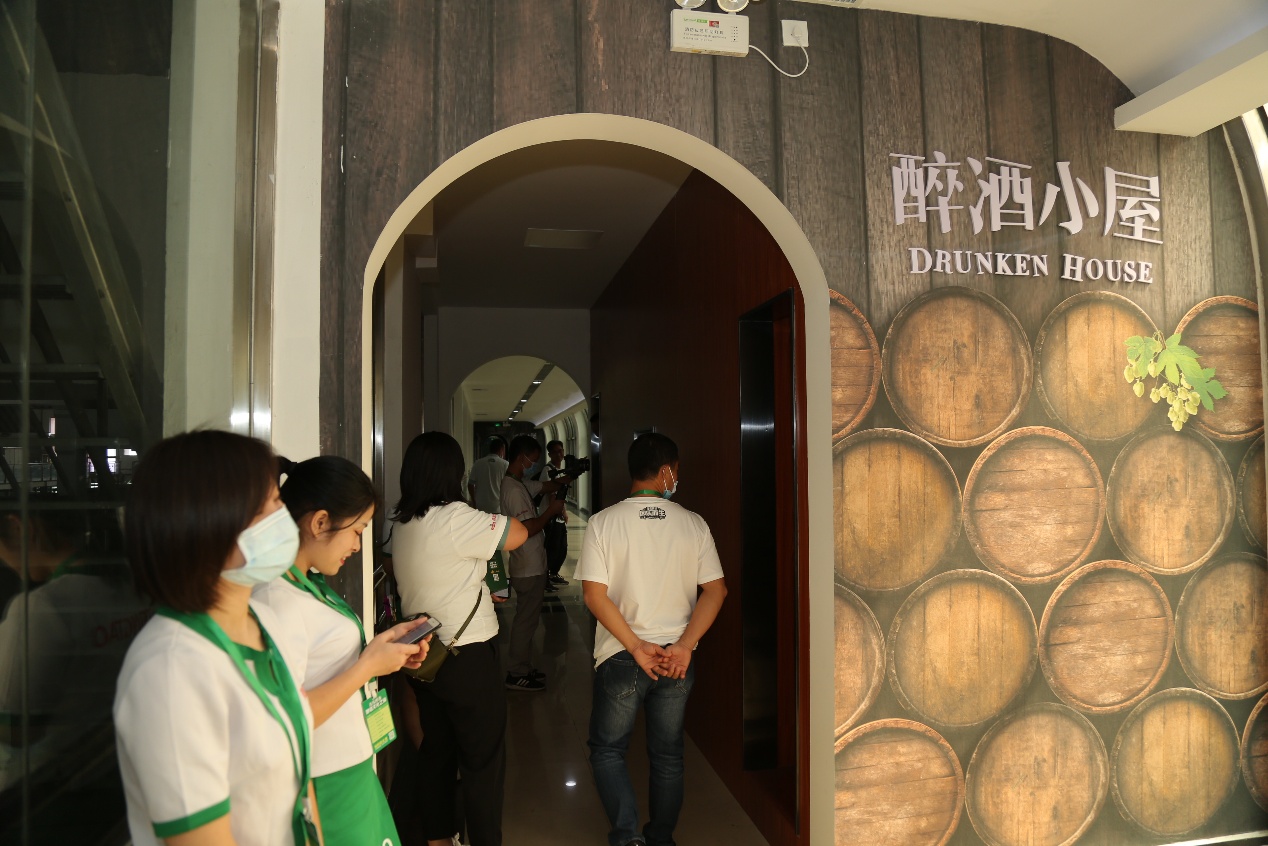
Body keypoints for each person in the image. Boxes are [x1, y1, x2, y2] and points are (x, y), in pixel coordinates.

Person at [113, 430, 318, 846]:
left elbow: (299, 789)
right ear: (207, 525)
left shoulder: (262, 621)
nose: (284, 517)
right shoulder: (170, 670)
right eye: (268, 506)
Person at [253, 456, 431, 846]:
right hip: (325, 780)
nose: (357, 545)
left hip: (350, 765)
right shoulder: (275, 600)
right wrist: (367, 667)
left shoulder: (306, 585)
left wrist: (384, 652)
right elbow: (285, 718)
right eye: (357, 530)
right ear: (319, 522)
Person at [576, 433, 727, 846]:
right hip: (675, 659)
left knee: (608, 750)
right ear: (664, 472)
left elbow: (594, 595)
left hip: (622, 656)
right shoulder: (693, 523)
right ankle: (660, 838)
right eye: (676, 471)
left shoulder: (603, 522)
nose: (677, 478)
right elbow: (716, 591)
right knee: (668, 755)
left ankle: (628, 838)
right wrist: (685, 645)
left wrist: (635, 645)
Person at [390, 431, 529, 846]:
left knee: (436, 750)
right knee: (482, 761)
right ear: (453, 474)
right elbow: (518, 533)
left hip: (424, 655)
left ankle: (439, 838)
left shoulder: (401, 522)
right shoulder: (455, 517)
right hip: (467, 657)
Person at [499, 435, 566, 691]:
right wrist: (551, 511)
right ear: (521, 457)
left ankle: (523, 667)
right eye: (532, 460)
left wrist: (564, 479)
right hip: (527, 566)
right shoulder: (513, 490)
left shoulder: (518, 483)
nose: (534, 465)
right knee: (525, 622)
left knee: (527, 621)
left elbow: (543, 486)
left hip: (531, 563)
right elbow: (528, 528)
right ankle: (516, 672)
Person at [535, 440, 570, 589]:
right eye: (555, 452)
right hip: (550, 516)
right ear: (549, 454)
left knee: (562, 548)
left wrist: (563, 511)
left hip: (558, 515)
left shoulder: (562, 470)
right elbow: (550, 493)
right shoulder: (548, 470)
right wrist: (557, 511)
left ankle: (554, 574)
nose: (559, 454)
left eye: (560, 450)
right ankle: (546, 578)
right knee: (552, 548)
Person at [466, 436, 508, 514]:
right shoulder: (505, 464)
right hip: (498, 508)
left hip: (481, 507)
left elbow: (470, 484)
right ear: (501, 450)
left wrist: (474, 501)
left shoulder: (478, 463)